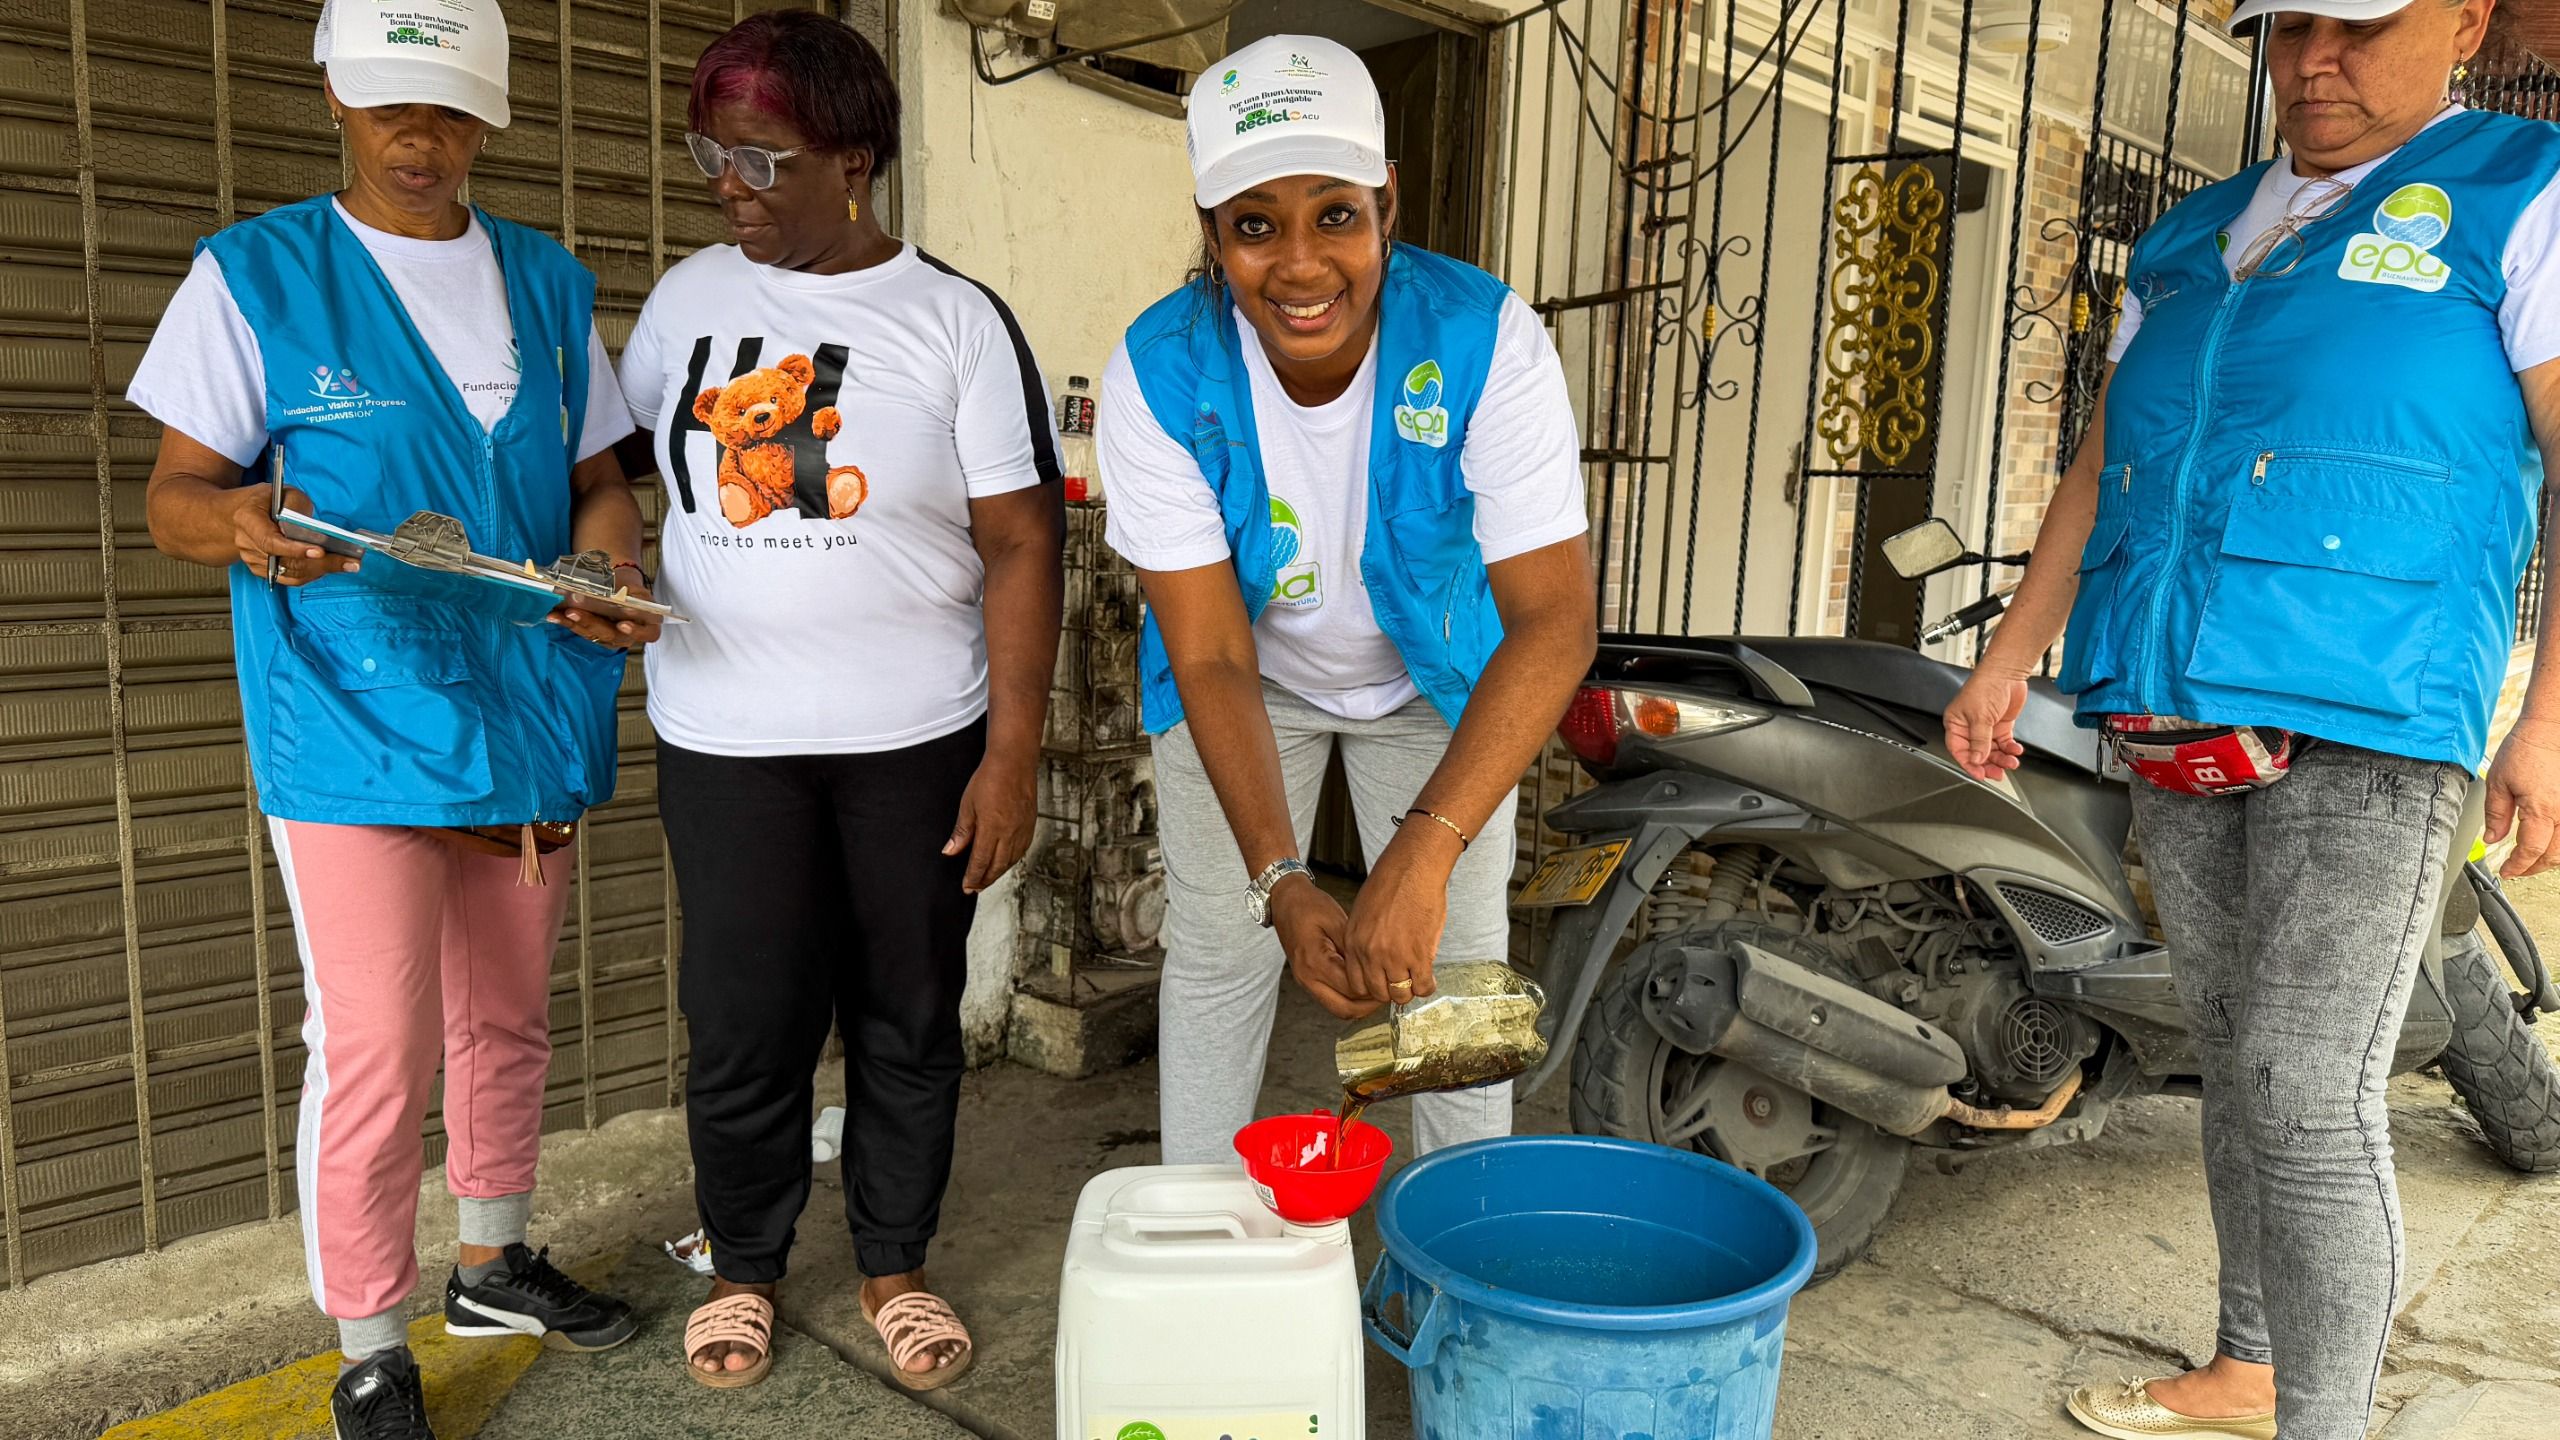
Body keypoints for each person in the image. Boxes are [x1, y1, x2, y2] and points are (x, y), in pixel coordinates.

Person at [1939, 2, 2560, 1435]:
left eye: (2358, 26)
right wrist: (2011, 656)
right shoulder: (2192, 232)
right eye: (2286, 28)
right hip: (2175, 706)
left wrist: (2548, 721)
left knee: (2307, 1083)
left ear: (2465, 22)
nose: (2311, 62)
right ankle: (2249, 1364)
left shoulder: (2518, 191)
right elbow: (2104, 454)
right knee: (2234, 1055)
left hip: (2376, 710)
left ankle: (2321, 1417)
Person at [129, 2, 653, 1435]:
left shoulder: (544, 281)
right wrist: (241, 522)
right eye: (390, 110)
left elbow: (599, 480)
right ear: (334, 98)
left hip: (527, 702)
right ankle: (370, 1343)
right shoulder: (257, 275)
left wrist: (610, 566)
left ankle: (491, 1264)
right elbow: (175, 498)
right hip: (348, 713)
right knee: (376, 1042)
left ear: (489, 115)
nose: (420, 141)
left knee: (509, 1014)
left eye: (450, 113)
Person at [613, 10, 1063, 1394]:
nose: (727, 186)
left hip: (913, 744)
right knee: (743, 1019)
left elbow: (1022, 542)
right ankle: (744, 1267)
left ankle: (893, 1265)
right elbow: (612, 471)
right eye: (712, 154)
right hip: (724, 739)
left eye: (762, 159)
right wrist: (609, 571)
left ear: (853, 163)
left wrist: (1012, 754)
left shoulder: (954, 321)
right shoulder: (686, 301)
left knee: (905, 1016)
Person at [1095, 35, 1598, 1167]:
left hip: (1434, 679)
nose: (1300, 264)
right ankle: (1206, 1228)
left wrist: (1425, 849)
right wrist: (1282, 880)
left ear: (1387, 205)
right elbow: (1211, 656)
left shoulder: (1482, 341)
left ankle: (1455, 1245)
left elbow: (1555, 621)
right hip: (1250, 678)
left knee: (1450, 975)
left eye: (1335, 215)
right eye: (1254, 225)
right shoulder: (1159, 372)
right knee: (1221, 949)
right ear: (1212, 234)